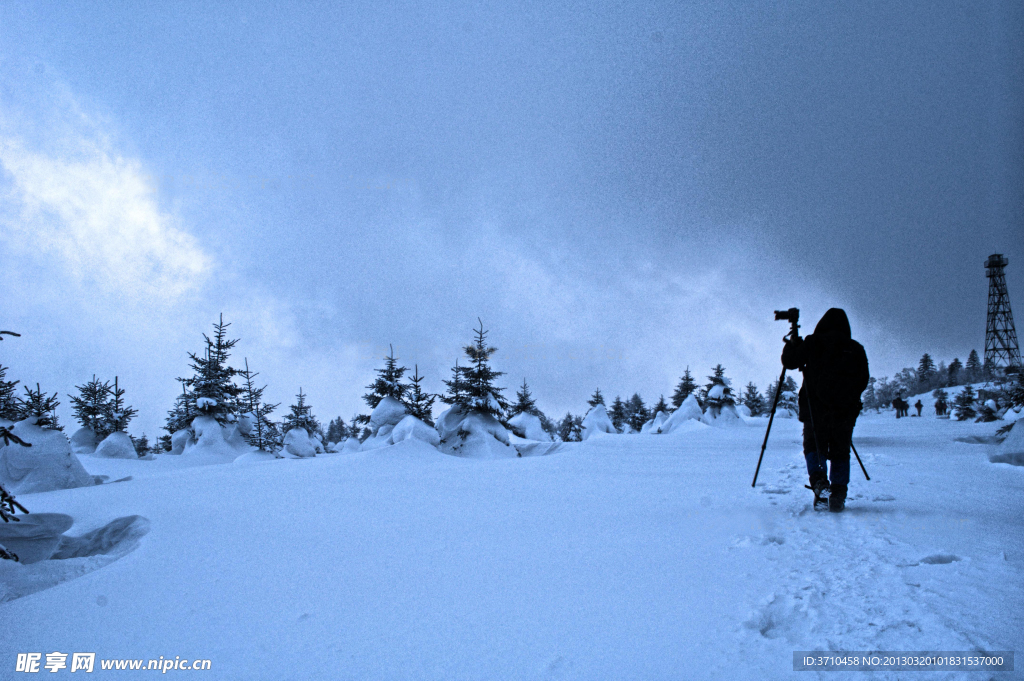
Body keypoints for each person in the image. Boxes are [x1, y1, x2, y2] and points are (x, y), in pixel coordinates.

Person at [782, 308, 869, 512]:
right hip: (845, 412)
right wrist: (848, 398)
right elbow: (863, 379)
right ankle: (838, 494)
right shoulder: (856, 348)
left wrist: (790, 345)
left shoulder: (813, 343)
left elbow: (790, 362)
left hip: (815, 409)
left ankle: (820, 484)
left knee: (814, 447)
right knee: (840, 451)